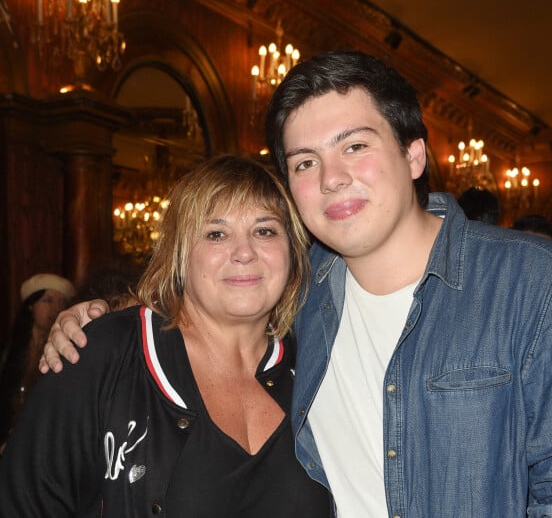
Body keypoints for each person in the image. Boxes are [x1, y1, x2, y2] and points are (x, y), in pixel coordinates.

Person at [40, 51, 552, 517]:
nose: (331, 177)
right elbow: (211, 297)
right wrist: (103, 314)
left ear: (414, 154)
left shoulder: (532, 284)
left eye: (354, 146)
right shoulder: (302, 296)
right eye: (305, 162)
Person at [0, 156, 331, 516]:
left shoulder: (318, 368)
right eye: (216, 233)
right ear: (179, 252)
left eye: (265, 230)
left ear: (293, 250)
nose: (245, 252)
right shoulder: (102, 351)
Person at [0, 273, 75, 450]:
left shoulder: (65, 353)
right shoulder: (8, 353)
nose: (56, 308)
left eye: (61, 302)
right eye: (48, 300)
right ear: (31, 306)